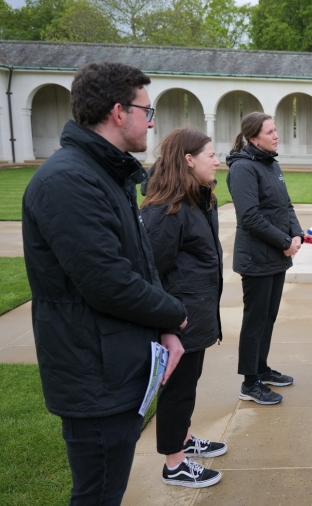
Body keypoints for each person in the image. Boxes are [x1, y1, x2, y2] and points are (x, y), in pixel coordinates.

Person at [21, 62, 188, 506]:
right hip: (93, 374)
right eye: (147, 112)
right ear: (119, 112)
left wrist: (164, 329)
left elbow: (139, 263)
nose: (151, 122)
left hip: (114, 365)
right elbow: (108, 282)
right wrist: (175, 312)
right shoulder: (69, 180)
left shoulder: (106, 174)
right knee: (97, 495)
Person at [141, 128, 225, 488]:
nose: (217, 160)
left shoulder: (196, 199)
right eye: (211, 155)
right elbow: (150, 273)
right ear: (189, 160)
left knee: (188, 386)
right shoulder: (167, 209)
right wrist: (167, 324)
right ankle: (174, 463)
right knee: (177, 390)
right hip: (179, 319)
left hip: (196, 314)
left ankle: (185, 439)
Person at [226, 112, 303, 405]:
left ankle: (261, 369)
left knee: (268, 317)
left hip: (276, 255)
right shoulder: (243, 169)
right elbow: (249, 217)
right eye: (269, 132)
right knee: (255, 319)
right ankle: (250, 383)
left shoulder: (271, 163)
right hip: (257, 258)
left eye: (275, 129)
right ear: (253, 137)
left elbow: (286, 205)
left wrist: (296, 234)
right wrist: (285, 241)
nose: (276, 135)